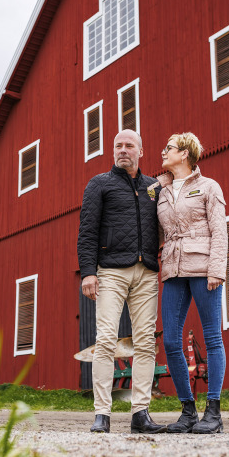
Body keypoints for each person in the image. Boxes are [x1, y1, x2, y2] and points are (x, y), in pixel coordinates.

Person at [77, 129, 166, 434]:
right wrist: (88, 272)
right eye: (118, 145)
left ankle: (140, 413)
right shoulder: (99, 184)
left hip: (147, 272)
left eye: (129, 145)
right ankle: (102, 413)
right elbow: (87, 231)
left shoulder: (153, 187)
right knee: (105, 340)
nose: (123, 150)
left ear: (141, 150)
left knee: (145, 342)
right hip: (111, 271)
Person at [155, 132, 227, 434]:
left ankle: (213, 412)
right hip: (173, 269)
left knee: (212, 337)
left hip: (203, 266)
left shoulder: (209, 187)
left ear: (184, 154)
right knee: (170, 340)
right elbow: (158, 232)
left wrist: (216, 270)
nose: (163, 152)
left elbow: (219, 230)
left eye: (168, 148)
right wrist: (154, 187)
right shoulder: (161, 191)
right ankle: (187, 411)